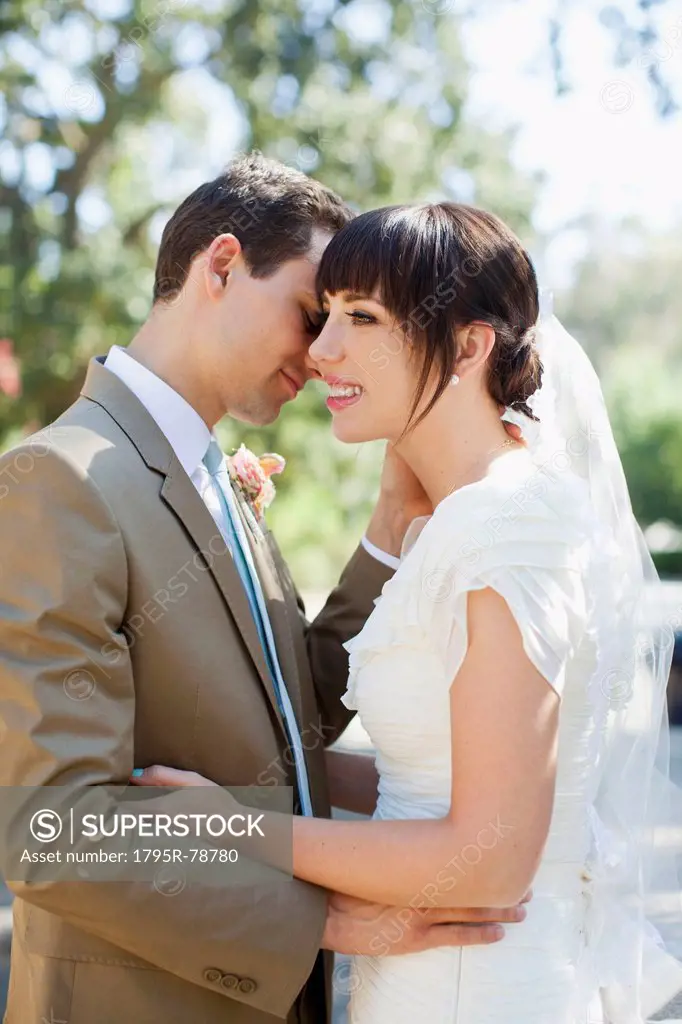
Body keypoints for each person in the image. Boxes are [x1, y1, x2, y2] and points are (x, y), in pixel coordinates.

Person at [0, 156, 528, 1024]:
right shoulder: (62, 481)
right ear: (220, 265)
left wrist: (388, 533)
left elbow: (291, 722)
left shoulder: (209, 472)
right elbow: (51, 829)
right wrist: (323, 919)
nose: (325, 356)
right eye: (311, 313)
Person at [137, 201, 682, 1022]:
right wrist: (248, 774)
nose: (321, 352)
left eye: (361, 317)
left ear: (468, 346)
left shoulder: (504, 526)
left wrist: (233, 826)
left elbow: (488, 857)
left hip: (479, 989)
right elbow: (434, 773)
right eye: (324, 317)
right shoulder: (471, 515)